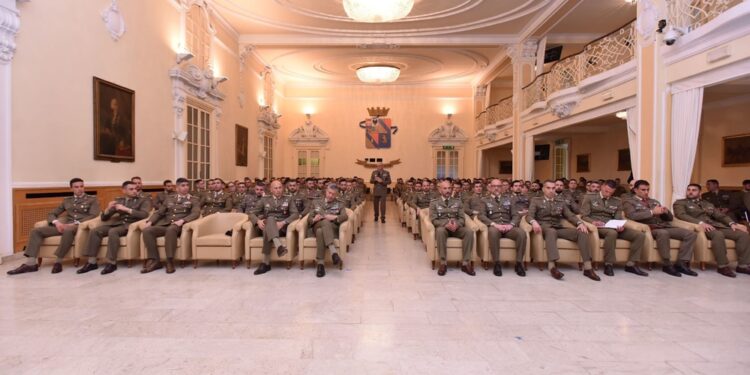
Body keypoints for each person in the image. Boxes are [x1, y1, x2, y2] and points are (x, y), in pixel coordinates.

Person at [7, 178, 100, 275]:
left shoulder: (92, 199)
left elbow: (94, 215)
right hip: (64, 226)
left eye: (82, 186)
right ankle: (31, 264)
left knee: (67, 230)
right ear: (71, 189)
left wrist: (75, 224)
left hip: (79, 227)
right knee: (36, 231)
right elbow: (52, 213)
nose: (80, 189)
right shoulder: (67, 200)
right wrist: (57, 223)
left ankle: (58, 262)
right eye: (76, 187)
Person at [623, 180, 697, 277]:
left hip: (664, 225)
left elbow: (670, 219)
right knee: (663, 233)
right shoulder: (629, 202)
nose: (646, 192)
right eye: (643, 190)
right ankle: (667, 264)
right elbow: (632, 216)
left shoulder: (654, 201)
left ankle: (681, 263)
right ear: (635, 190)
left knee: (691, 234)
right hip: (650, 228)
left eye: (647, 190)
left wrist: (666, 212)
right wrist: (652, 212)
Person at [527, 180, 598, 281]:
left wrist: (580, 223)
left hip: (558, 228)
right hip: (544, 227)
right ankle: (552, 267)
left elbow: (570, 215)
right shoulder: (536, 200)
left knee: (582, 232)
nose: (551, 190)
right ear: (543, 189)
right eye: (548, 188)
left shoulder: (560, 201)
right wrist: (533, 222)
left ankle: (587, 267)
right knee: (551, 231)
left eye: (553, 188)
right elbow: (529, 215)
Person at [674, 183, 750, 277]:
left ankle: (743, 265)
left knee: (743, 235)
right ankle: (722, 266)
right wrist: (700, 223)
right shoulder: (680, 202)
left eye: (694, 190)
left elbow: (720, 215)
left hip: (717, 225)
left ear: (699, 192)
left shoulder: (707, 203)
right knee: (718, 235)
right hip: (702, 227)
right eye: (689, 189)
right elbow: (681, 215)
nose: (690, 192)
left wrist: (732, 223)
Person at [77, 180, 151, 275]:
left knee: (113, 231)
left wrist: (127, 209)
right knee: (95, 231)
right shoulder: (119, 200)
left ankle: (112, 263)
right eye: (131, 189)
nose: (134, 191)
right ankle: (92, 262)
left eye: (135, 189)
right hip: (118, 224)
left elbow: (144, 215)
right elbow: (104, 218)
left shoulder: (144, 200)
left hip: (130, 226)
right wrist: (108, 208)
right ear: (124, 191)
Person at [580, 180, 648, 277]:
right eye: (606, 191)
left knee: (640, 235)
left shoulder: (617, 201)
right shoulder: (589, 197)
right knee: (612, 233)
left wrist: (619, 225)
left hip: (612, 225)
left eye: (611, 193)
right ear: (602, 187)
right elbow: (583, 215)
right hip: (598, 226)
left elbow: (618, 217)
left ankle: (631, 264)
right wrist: (593, 222)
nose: (608, 194)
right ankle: (609, 264)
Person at [141, 178, 200, 274]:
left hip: (179, 226)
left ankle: (169, 260)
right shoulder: (169, 199)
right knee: (147, 231)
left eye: (187, 185)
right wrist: (150, 222)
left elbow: (195, 213)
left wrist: (183, 220)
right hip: (165, 224)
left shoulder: (194, 200)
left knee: (171, 229)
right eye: (183, 185)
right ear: (177, 188)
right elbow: (159, 212)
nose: (186, 187)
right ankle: (155, 260)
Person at [249, 180, 299, 275]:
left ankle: (265, 263)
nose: (278, 190)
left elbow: (295, 214)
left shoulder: (288, 199)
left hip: (281, 228)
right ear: (271, 190)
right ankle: (279, 246)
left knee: (267, 228)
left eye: (280, 187)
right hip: (268, 224)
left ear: (283, 188)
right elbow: (251, 213)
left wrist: (284, 222)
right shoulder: (264, 199)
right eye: (275, 188)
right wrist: (258, 221)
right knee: (270, 219)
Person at [478, 179, 527, 277]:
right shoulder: (484, 200)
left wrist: (511, 225)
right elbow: (481, 216)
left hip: (508, 226)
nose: (496, 188)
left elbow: (516, 215)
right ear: (490, 187)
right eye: (494, 186)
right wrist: (494, 224)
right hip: (495, 226)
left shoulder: (509, 199)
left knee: (521, 233)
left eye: (499, 186)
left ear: (503, 187)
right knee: (492, 233)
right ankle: (496, 263)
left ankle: (519, 263)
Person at [431, 180, 475, 276]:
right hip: (444, 228)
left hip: (456, 227)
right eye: (445, 188)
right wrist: (446, 224)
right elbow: (434, 220)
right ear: (440, 190)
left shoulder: (458, 202)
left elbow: (462, 218)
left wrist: (457, 224)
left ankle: (465, 263)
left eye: (449, 188)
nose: (448, 190)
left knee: (469, 232)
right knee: (440, 231)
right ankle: (443, 263)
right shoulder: (434, 203)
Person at [307, 184, 348, 277]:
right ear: (326, 191)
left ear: (336, 195)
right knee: (324, 222)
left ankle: (320, 265)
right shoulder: (316, 202)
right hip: (317, 225)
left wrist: (334, 217)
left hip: (332, 228)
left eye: (333, 194)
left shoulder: (340, 203)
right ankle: (333, 252)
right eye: (329, 193)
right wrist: (314, 219)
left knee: (320, 232)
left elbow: (345, 216)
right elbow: (309, 218)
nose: (330, 195)